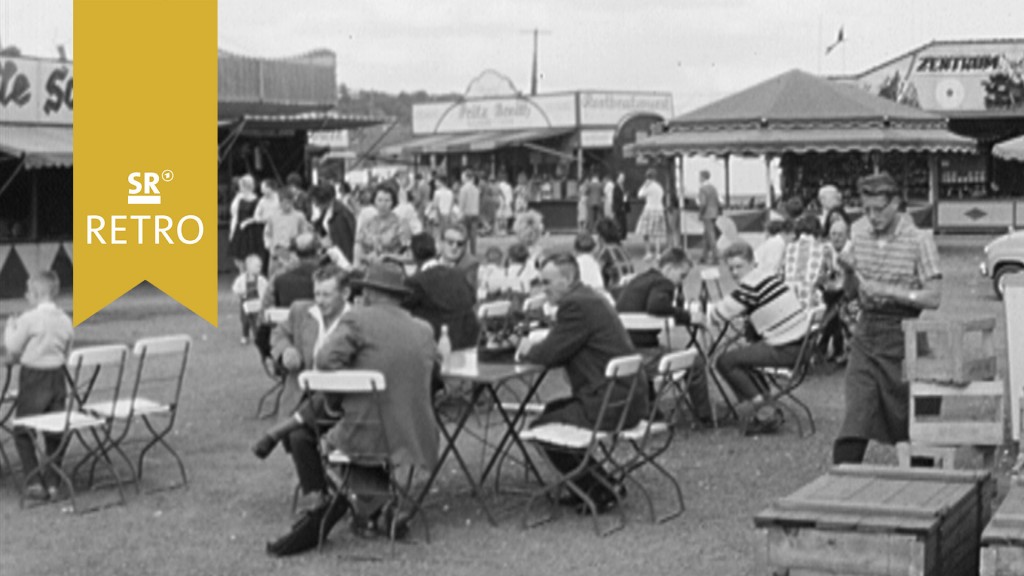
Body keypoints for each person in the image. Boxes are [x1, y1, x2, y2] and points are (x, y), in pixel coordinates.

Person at [253, 263, 439, 555]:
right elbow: (435, 377)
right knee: (319, 419)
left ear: (370, 293)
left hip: (367, 430)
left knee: (305, 433)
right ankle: (372, 506)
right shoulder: (423, 329)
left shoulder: (358, 320)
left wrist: (337, 398)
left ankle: (338, 499)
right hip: (413, 433)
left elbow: (326, 361)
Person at [516, 254, 648, 514]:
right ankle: (599, 485)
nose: (543, 288)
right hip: (628, 397)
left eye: (547, 282)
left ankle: (596, 491)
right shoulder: (591, 297)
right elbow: (565, 342)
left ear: (567, 279)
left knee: (543, 424)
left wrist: (525, 349)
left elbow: (549, 355)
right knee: (551, 411)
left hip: (609, 404)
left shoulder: (574, 306)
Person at [832, 172, 941, 465]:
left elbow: (934, 296)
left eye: (879, 209)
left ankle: (925, 487)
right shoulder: (859, 233)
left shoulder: (919, 240)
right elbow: (852, 294)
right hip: (867, 333)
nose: (872, 216)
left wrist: (889, 291)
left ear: (896, 203)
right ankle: (841, 487)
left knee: (907, 413)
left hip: (904, 333)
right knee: (857, 411)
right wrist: (846, 272)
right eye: (866, 210)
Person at [711, 241, 811, 434]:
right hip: (800, 345)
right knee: (744, 352)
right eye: (731, 268)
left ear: (752, 263)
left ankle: (764, 409)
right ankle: (765, 403)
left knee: (725, 361)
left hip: (786, 348)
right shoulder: (768, 277)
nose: (734, 273)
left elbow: (719, 314)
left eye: (739, 267)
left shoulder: (751, 286)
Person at [615, 248, 713, 423]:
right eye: (681, 276)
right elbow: (656, 305)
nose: (679, 283)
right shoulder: (663, 283)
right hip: (645, 353)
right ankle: (704, 415)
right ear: (668, 268)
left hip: (622, 351)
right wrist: (688, 316)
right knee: (696, 362)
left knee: (661, 351)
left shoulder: (640, 279)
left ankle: (650, 408)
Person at [3, 271, 74, 500]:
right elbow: (68, 350)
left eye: (27, 292)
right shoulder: (65, 319)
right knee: (55, 430)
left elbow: (13, 347)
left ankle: (33, 480)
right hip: (57, 377)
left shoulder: (29, 319)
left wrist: (9, 327)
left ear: (35, 294)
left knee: (23, 430)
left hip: (34, 377)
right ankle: (53, 479)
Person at [404, 233, 481, 350]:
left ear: (413, 255)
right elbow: (472, 299)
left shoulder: (416, 282)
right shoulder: (458, 274)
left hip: (436, 345)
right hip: (468, 341)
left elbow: (401, 311)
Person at [781, 215, 835, 310]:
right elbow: (829, 275)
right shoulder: (825, 248)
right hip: (812, 301)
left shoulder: (788, 247)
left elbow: (782, 273)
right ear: (818, 231)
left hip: (789, 300)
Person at [354, 183, 412, 267]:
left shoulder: (401, 223)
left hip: (392, 271)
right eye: (379, 200)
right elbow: (358, 245)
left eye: (387, 200)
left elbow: (410, 257)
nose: (383, 204)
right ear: (374, 201)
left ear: (393, 202)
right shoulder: (367, 223)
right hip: (368, 271)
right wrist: (362, 259)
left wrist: (388, 257)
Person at [264, 188, 313, 278]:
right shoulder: (272, 216)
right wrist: (269, 247)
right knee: (274, 280)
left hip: (292, 255)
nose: (287, 205)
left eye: (289, 202)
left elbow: (305, 236)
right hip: (276, 255)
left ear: (293, 202)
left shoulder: (299, 216)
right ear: (280, 202)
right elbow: (267, 234)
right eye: (284, 202)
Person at [309, 183, 356, 269]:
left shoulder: (341, 215)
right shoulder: (328, 210)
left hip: (342, 259)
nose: (316, 205)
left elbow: (346, 243)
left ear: (326, 200)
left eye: (317, 203)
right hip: (333, 254)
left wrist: (347, 265)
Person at [228, 174, 265, 273]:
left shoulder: (258, 200)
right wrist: (232, 232)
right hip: (240, 230)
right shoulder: (239, 199)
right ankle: (242, 278)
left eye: (241, 185)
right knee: (238, 258)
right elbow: (234, 214)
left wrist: (249, 221)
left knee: (252, 259)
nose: (239, 188)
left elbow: (260, 216)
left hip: (252, 232)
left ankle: (252, 282)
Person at [232, 253, 269, 346]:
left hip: (257, 302)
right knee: (245, 320)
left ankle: (257, 335)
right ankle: (245, 335)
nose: (259, 269)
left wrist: (264, 297)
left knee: (257, 319)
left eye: (260, 267)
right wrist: (239, 293)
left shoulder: (261, 279)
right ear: (248, 267)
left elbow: (266, 287)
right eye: (257, 267)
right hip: (245, 302)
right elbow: (235, 287)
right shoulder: (242, 279)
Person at [635, 168, 667, 261]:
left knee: (646, 232)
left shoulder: (648, 186)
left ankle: (648, 252)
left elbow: (640, 195)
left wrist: (644, 186)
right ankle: (658, 253)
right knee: (657, 233)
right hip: (659, 209)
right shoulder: (659, 186)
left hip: (649, 209)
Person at [594, 218, 635, 291]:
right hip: (630, 290)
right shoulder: (623, 249)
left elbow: (596, 276)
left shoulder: (605, 253)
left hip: (615, 292)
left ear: (601, 237)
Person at [438, 223, 480, 291]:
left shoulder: (469, 264)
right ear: (441, 242)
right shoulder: (430, 261)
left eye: (459, 244)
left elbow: (466, 293)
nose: (454, 247)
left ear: (465, 247)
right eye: (450, 242)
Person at [697, 170, 722, 264]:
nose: (699, 179)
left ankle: (716, 257)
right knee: (707, 236)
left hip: (707, 214)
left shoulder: (702, 189)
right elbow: (718, 201)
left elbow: (703, 203)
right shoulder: (713, 188)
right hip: (714, 213)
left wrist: (700, 213)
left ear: (703, 177)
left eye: (699, 177)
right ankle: (704, 256)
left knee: (710, 236)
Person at [457, 169, 481, 255]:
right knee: (473, 237)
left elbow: (461, 203)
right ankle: (473, 254)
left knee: (464, 236)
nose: (461, 178)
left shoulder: (463, 189)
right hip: (475, 213)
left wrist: (459, 215)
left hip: (466, 214)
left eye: (462, 177)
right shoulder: (476, 189)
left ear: (466, 177)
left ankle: (463, 254)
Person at [610, 173, 630, 240]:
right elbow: (617, 197)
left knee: (623, 221)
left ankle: (623, 234)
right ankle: (620, 234)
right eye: (621, 178)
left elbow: (624, 197)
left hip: (622, 206)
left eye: (623, 178)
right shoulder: (616, 186)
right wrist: (624, 198)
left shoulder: (622, 186)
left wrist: (625, 198)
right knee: (619, 221)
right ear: (618, 178)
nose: (622, 179)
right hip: (618, 207)